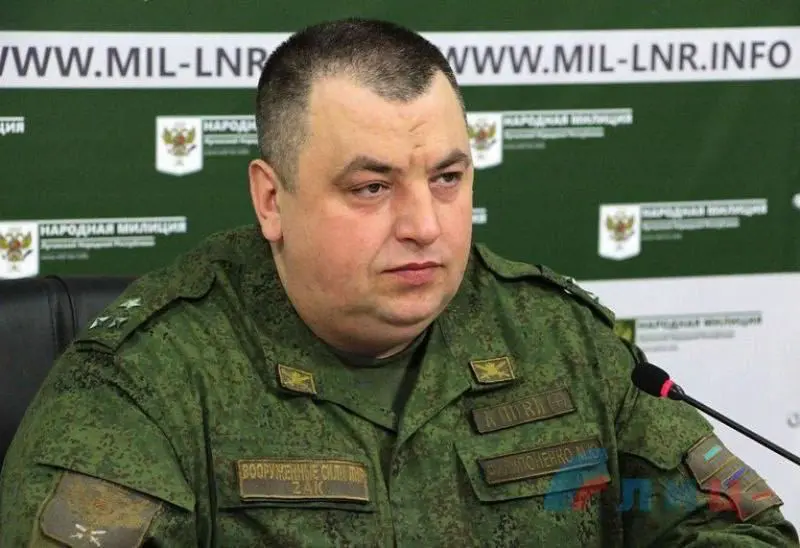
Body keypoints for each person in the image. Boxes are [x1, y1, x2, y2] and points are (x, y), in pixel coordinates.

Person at [0, 18, 797, 548]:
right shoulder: (145, 380)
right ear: (272, 200)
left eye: (447, 178)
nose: (425, 224)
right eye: (372, 187)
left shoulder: (562, 340)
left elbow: (742, 528)